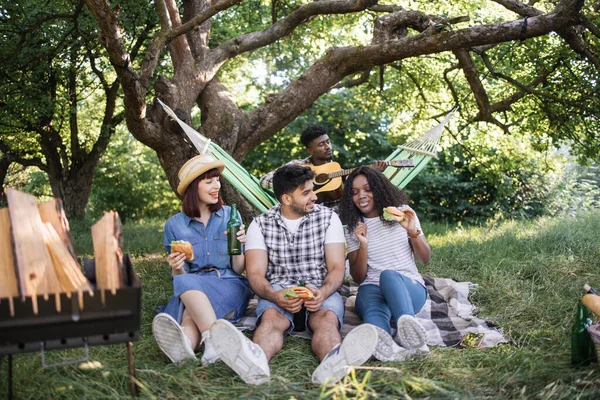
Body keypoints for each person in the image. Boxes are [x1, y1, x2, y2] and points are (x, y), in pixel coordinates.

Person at [209, 164, 378, 385]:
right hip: (279, 290)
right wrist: (274, 295)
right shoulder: (260, 225)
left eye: (312, 190)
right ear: (287, 199)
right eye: (306, 193)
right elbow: (255, 274)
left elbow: (337, 268)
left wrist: (324, 292)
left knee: (326, 320)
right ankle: (255, 363)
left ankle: (332, 363)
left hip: (319, 287)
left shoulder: (328, 219)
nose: (314, 197)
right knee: (270, 320)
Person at [152, 154, 252, 365]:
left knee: (189, 303)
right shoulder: (174, 225)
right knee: (187, 291)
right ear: (193, 188)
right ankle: (191, 347)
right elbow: (180, 276)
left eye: (217, 180)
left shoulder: (229, 216)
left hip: (228, 283)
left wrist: (239, 247)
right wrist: (177, 268)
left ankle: (196, 342)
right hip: (193, 288)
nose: (216, 186)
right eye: (209, 182)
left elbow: (239, 269)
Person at [339, 166, 431, 360]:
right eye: (355, 193)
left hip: (408, 289)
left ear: (379, 189)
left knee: (387, 275)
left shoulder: (403, 215)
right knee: (372, 310)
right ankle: (389, 350)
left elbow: (424, 259)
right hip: (372, 289)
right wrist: (363, 244)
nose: (361, 196)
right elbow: (358, 277)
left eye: (367, 189)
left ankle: (410, 333)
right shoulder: (354, 227)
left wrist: (412, 231)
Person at [259, 125, 387, 211]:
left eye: (328, 142)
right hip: (301, 216)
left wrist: (374, 173)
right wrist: (299, 182)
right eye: (321, 144)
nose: (328, 147)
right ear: (310, 150)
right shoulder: (297, 166)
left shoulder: (337, 170)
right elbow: (264, 181)